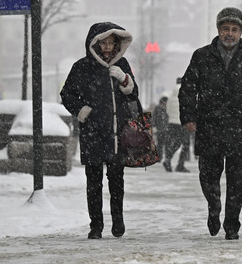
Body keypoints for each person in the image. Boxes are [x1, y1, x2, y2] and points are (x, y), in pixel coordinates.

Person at [179, 6, 242, 241]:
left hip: (239, 127)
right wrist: (189, 117)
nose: (229, 33)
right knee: (208, 176)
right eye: (225, 29)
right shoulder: (201, 56)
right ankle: (214, 206)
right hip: (209, 126)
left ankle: (232, 224)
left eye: (234, 29)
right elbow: (188, 88)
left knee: (237, 180)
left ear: (240, 32)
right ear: (218, 30)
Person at [60, 22, 140, 240]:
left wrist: (124, 79)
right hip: (93, 133)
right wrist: (82, 111)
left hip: (117, 134)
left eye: (111, 43)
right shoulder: (81, 67)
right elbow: (66, 94)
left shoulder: (122, 63)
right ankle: (96, 225)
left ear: (117, 44)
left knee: (117, 181)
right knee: (93, 183)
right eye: (102, 43)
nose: (106, 47)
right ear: (94, 44)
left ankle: (118, 220)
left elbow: (133, 95)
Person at [164, 82, 190, 173]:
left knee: (177, 143)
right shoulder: (185, 96)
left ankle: (168, 159)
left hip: (172, 124)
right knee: (186, 144)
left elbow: (167, 111)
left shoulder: (170, 98)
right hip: (182, 124)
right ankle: (180, 165)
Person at [151, 95, 169, 162]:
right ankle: (163, 157)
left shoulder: (159, 108)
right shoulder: (160, 108)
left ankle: (161, 157)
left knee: (161, 144)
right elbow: (154, 118)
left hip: (162, 128)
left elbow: (154, 118)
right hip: (163, 129)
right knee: (163, 144)